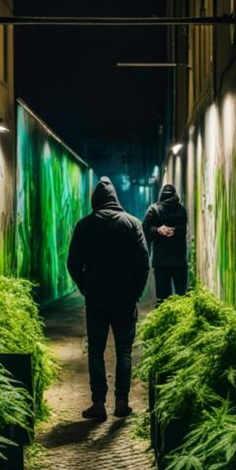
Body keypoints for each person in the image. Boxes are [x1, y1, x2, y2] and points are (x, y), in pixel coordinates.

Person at [66, 177, 149, 420]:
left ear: (95, 200)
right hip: (124, 300)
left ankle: (99, 403)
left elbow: (73, 263)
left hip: (97, 300)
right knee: (124, 350)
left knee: (96, 352)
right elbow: (143, 264)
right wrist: (136, 292)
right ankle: (122, 401)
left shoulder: (85, 225)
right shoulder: (133, 223)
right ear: (115, 199)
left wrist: (85, 287)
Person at [142, 183, 188, 303]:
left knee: (162, 300)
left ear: (161, 195)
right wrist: (169, 231)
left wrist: (158, 230)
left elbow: (144, 229)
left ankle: (164, 321)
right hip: (179, 261)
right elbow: (182, 231)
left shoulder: (153, 209)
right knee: (181, 299)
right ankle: (180, 321)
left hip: (161, 261)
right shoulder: (182, 211)